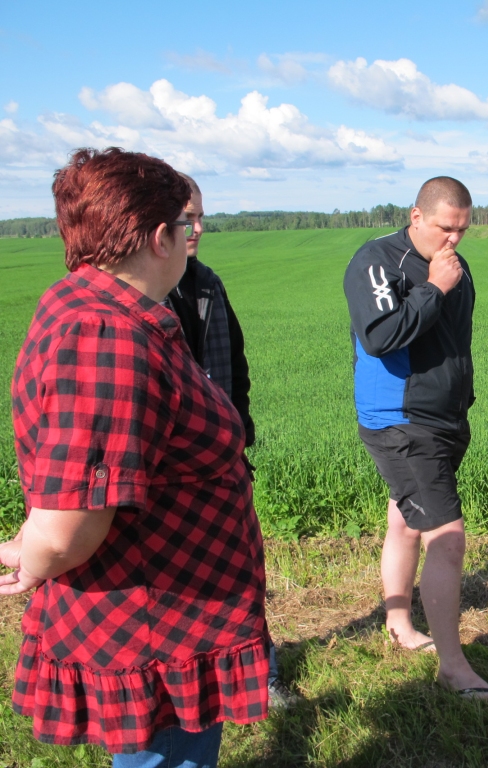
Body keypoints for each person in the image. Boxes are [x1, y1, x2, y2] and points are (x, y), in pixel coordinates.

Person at [2, 147, 270, 765]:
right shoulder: (107, 336)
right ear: (159, 236)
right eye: (186, 225)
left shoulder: (90, 307)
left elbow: (73, 462)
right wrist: (39, 551)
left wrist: (33, 537)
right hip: (157, 619)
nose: (191, 237)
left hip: (163, 603)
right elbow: (71, 521)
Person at [344, 176, 488, 698]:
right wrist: (435, 288)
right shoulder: (377, 261)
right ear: (416, 217)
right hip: (400, 421)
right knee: (448, 541)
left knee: (405, 522)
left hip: (444, 417)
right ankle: (453, 668)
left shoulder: (454, 264)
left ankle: (400, 624)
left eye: (462, 230)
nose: (453, 239)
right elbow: (381, 335)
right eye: (444, 228)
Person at [164, 175, 297, 709]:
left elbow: (234, 367)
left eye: (201, 216)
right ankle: (189, 680)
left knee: (243, 568)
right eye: (186, 217)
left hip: (221, 462)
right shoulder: (139, 299)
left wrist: (239, 438)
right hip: (168, 471)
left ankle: (258, 671)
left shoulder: (206, 284)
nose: (197, 228)